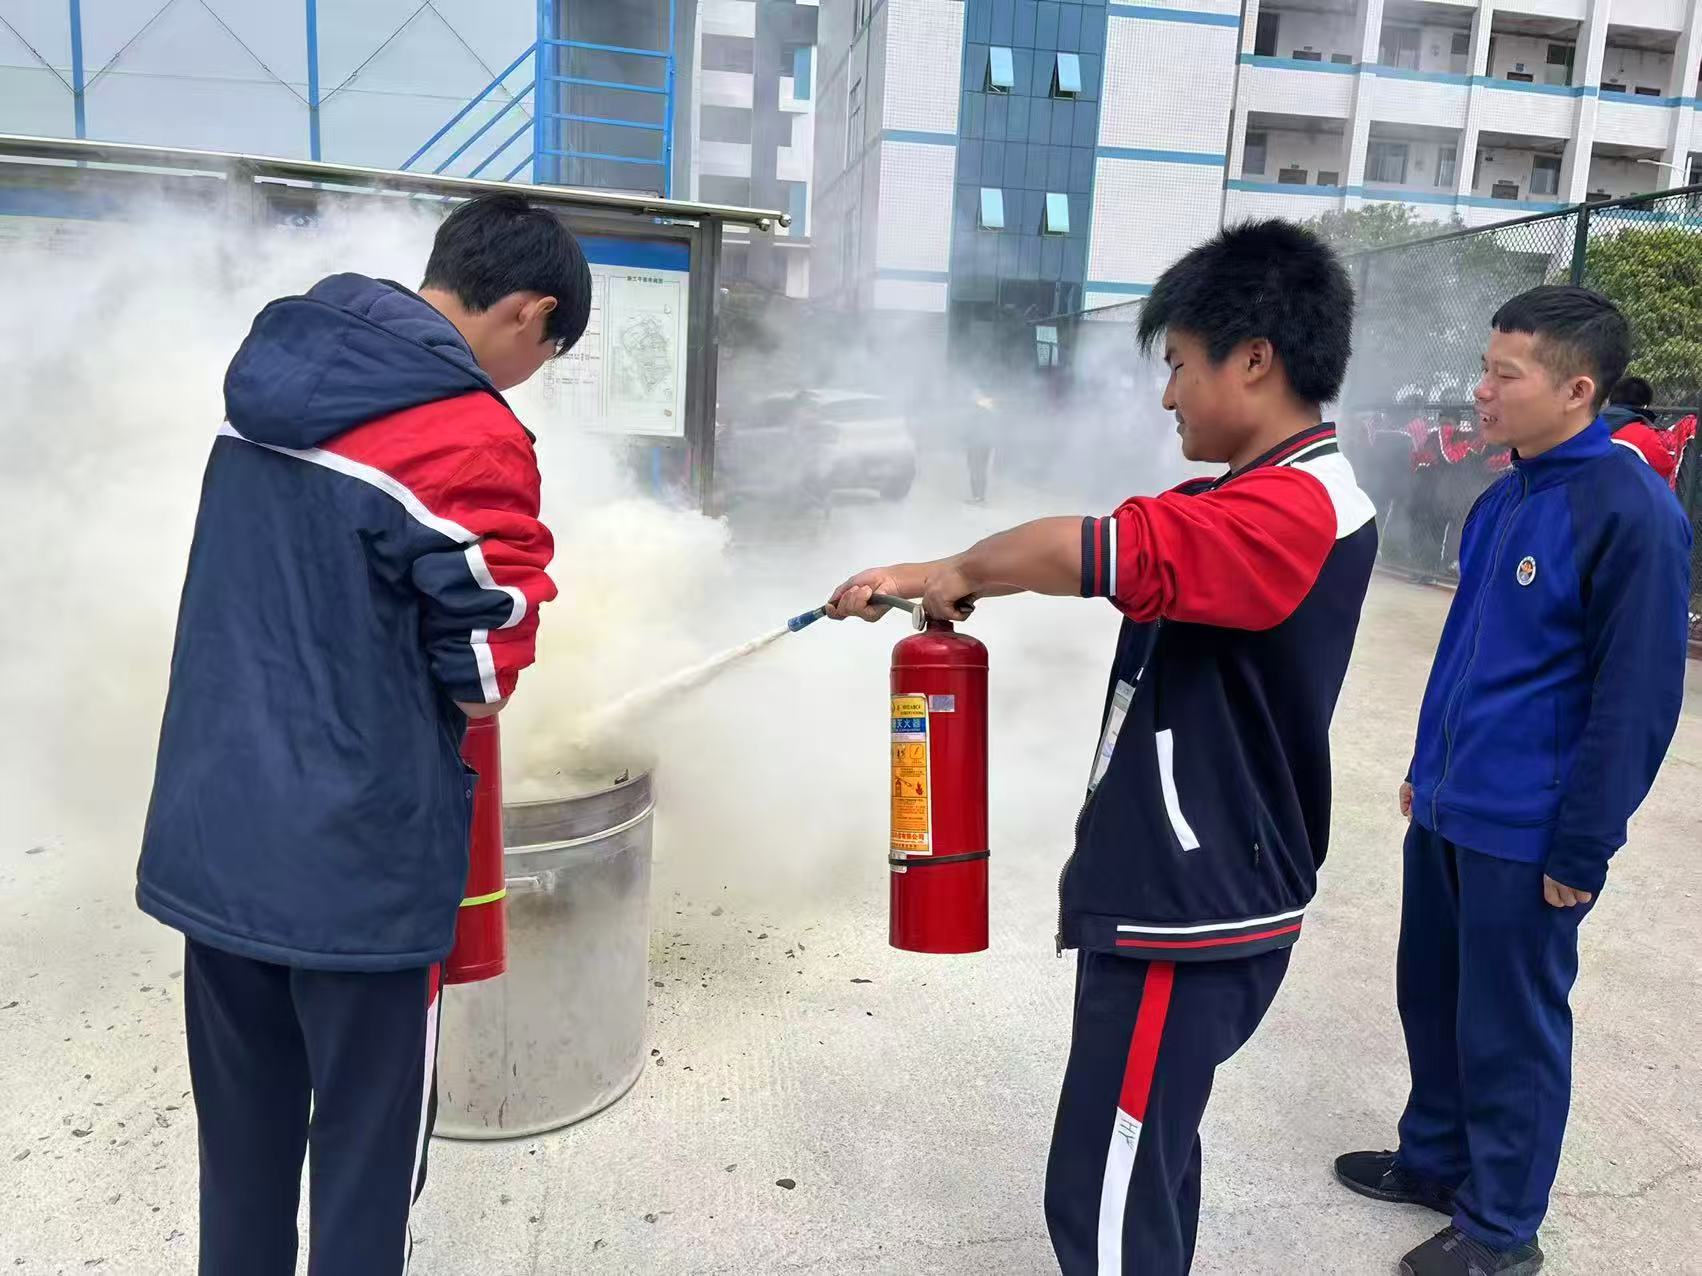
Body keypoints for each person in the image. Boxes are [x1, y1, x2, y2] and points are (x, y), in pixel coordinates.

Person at [827, 219, 1375, 1275]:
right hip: (1181, 886)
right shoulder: (1247, 497)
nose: (1168, 396)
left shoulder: (1297, 506)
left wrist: (962, 572)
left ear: (1254, 358)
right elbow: (1091, 548)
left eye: (1179, 365)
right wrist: (920, 575)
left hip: (1192, 902)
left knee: (1104, 1190)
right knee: (1145, 1162)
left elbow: (1092, 549)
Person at [135, 193, 593, 1275]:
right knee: (363, 1172)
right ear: (529, 311)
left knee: (240, 1160)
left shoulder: (268, 379)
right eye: (547, 355)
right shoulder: (467, 430)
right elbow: (485, 666)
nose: (529, 377)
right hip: (356, 875)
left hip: (217, 839)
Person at [1334, 287, 1690, 1276]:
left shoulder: (1630, 512)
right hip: (1452, 807)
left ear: (1577, 389)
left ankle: (1499, 1228)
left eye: (1504, 374)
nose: (1481, 392)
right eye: (1483, 370)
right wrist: (1426, 768)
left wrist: (1583, 844)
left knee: (1511, 1027)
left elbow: (1636, 700)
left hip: (1528, 830)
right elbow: (1465, 654)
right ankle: (1434, 1159)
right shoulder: (1504, 498)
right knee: (1433, 995)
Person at [1602, 374, 1695, 490]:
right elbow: (1665, 467)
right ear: (1644, 406)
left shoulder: (1585, 426)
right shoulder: (1642, 434)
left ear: (1611, 401)